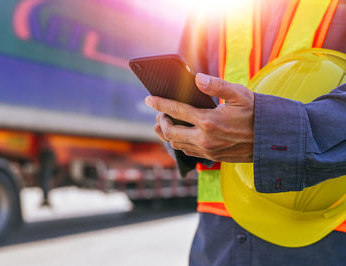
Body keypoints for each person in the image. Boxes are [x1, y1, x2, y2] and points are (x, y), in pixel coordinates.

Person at [145, 0, 346, 265]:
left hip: (327, 239)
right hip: (218, 241)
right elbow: (190, 97)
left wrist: (271, 132)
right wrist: (184, 133)